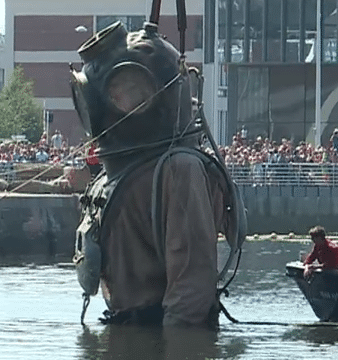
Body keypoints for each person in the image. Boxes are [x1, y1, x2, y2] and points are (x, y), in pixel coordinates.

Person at [70, 21, 245, 329]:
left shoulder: (179, 171)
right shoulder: (112, 177)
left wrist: (180, 345)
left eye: (131, 93)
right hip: (125, 331)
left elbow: (191, 283)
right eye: (119, 95)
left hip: (159, 332)